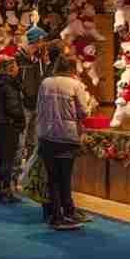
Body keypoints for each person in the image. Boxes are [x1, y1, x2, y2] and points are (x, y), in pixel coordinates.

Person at [36, 55, 91, 230]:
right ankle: (64, 214)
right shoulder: (76, 85)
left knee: (52, 178)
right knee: (65, 177)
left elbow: (39, 107)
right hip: (67, 136)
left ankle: (60, 213)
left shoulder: (45, 83)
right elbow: (84, 112)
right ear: (72, 69)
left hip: (46, 135)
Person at [0, 58, 26, 203]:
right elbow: (13, 107)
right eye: (16, 66)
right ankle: (6, 191)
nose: (18, 69)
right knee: (7, 159)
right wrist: (21, 122)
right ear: (10, 69)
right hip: (8, 125)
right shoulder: (9, 84)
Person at [15, 28, 48, 165]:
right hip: (24, 104)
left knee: (33, 140)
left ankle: (29, 170)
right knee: (20, 140)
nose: (41, 46)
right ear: (33, 42)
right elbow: (18, 82)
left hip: (37, 104)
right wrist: (24, 95)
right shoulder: (18, 59)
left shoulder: (38, 59)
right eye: (39, 42)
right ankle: (15, 172)